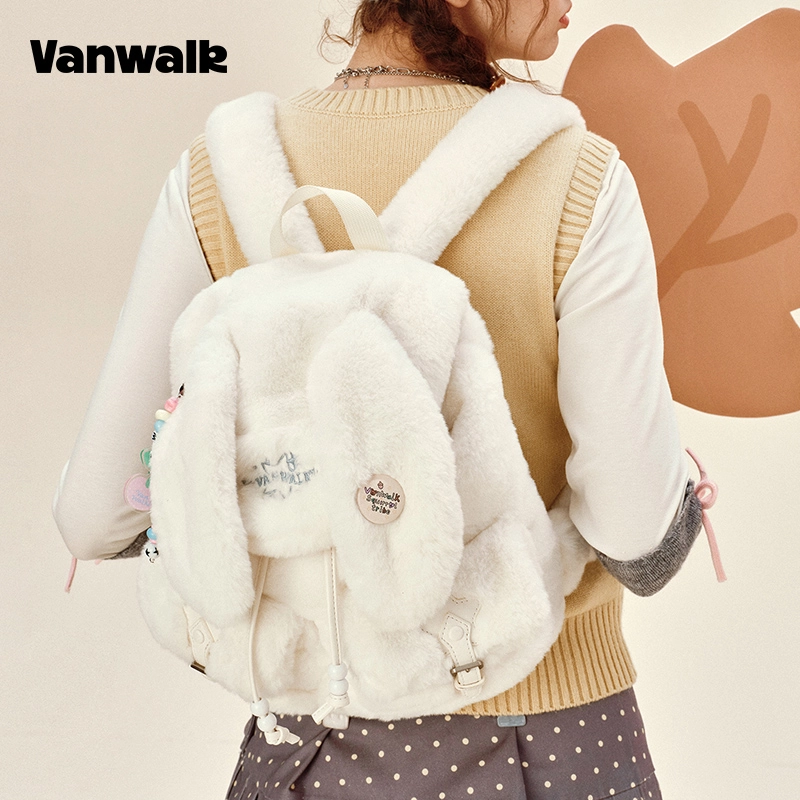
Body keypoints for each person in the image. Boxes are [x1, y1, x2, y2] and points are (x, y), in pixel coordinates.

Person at [53, 0, 715, 797]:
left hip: (310, 741)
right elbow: (637, 537)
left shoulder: (217, 173)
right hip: (551, 740)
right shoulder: (579, 175)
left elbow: (96, 515)